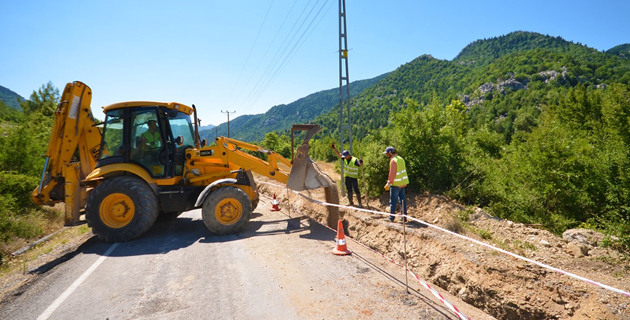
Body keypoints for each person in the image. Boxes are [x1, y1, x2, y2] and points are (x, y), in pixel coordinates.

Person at [331, 143, 363, 208]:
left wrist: (361, 163)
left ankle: (360, 203)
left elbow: (359, 165)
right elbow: (339, 155)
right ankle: (350, 202)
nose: (344, 157)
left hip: (354, 178)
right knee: (349, 190)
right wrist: (334, 148)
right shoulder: (345, 159)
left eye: (345, 156)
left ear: (348, 155)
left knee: (356, 190)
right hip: (347, 177)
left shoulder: (354, 160)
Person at [383, 146, 409, 222]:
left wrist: (389, 182)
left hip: (396, 184)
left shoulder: (393, 160)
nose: (386, 155)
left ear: (390, 153)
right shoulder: (401, 159)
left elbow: (392, 173)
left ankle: (391, 218)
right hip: (403, 183)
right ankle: (404, 217)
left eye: (387, 154)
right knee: (402, 200)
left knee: (393, 201)